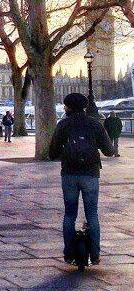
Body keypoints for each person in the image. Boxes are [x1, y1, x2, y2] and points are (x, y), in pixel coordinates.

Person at [49, 93, 114, 266]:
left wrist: (63, 153)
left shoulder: (63, 124)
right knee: (92, 214)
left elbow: (52, 153)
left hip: (69, 173)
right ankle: (95, 254)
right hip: (90, 174)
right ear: (84, 107)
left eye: (65, 106)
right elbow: (108, 150)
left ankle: (69, 254)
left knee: (70, 214)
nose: (64, 108)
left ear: (69, 107)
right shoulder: (94, 124)